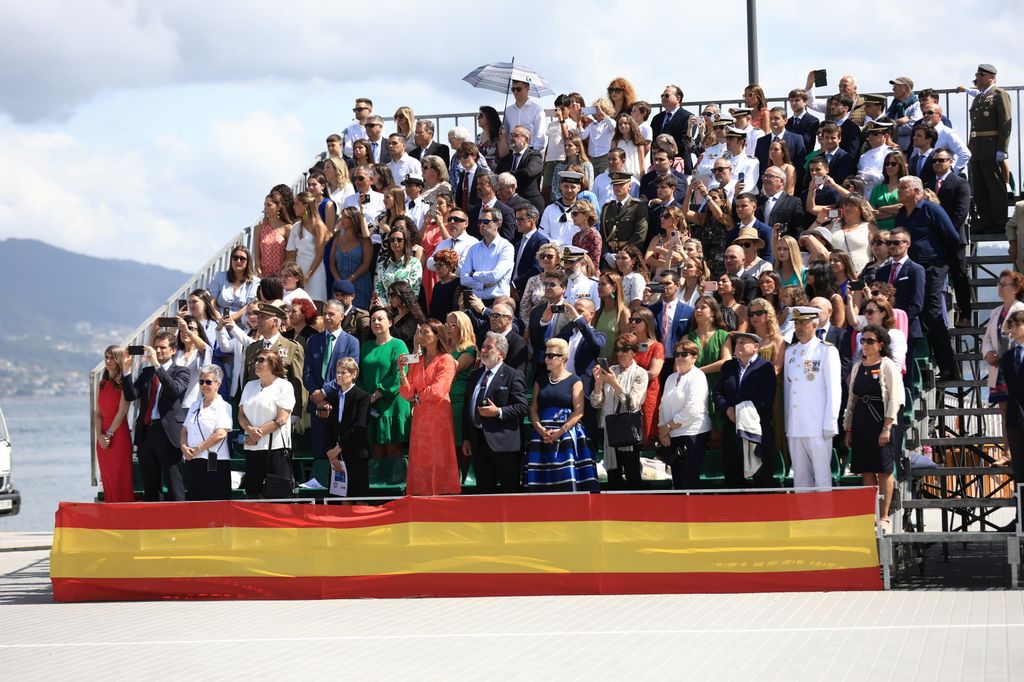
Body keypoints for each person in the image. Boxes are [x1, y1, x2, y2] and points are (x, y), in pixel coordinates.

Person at [893, 176, 961, 381]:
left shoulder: (932, 210)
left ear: (916, 191)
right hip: (911, 270)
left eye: (903, 188)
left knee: (932, 313)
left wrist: (943, 263)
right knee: (913, 313)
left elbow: (952, 237)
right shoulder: (902, 215)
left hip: (933, 267)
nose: (899, 192)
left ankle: (948, 367)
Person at [844, 325, 904, 533]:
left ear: (881, 344)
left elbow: (894, 398)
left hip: (880, 421)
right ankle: (871, 515)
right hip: (861, 421)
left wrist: (887, 427)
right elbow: (852, 398)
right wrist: (848, 427)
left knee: (883, 469)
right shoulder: (858, 366)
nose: (865, 345)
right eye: (863, 341)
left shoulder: (887, 366)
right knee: (866, 469)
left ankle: (884, 516)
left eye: (870, 341)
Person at [121, 331, 190, 501]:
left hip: (168, 434)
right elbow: (131, 395)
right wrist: (126, 370)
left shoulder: (182, 372)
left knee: (174, 485)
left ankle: (180, 523)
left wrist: (157, 366)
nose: (158, 351)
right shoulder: (147, 372)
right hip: (147, 433)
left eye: (163, 348)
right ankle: (155, 524)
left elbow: (174, 390)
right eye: (156, 347)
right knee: (150, 486)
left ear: (173, 350)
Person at [525, 338, 599, 493]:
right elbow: (533, 409)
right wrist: (540, 430)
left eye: (551, 356)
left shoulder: (575, 380)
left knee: (567, 481)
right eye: (546, 355)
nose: (547, 359)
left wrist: (559, 432)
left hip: (567, 436)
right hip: (542, 436)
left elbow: (579, 411)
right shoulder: (540, 380)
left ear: (563, 358)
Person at [397, 319, 459, 496]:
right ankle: (420, 499)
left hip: (439, 418)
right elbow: (407, 393)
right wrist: (402, 372)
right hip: (421, 419)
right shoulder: (417, 360)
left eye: (425, 332)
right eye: (420, 332)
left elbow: (440, 390)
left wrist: (418, 396)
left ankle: (443, 498)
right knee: (420, 459)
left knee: (439, 457)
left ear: (437, 335)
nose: (420, 336)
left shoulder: (446, 359)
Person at [462, 333, 529, 493]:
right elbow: (467, 408)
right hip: (478, 443)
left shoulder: (512, 375)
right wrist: (466, 438)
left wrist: (498, 411)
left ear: (501, 353)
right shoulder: (475, 375)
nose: (483, 350)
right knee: (485, 493)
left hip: (504, 446)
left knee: (509, 493)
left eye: (489, 347)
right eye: (483, 347)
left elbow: (522, 407)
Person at [784, 306, 842, 489]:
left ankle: (824, 516)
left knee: (822, 477)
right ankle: (804, 517)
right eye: (796, 323)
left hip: (817, 424)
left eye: (803, 323)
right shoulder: (790, 352)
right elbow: (788, 390)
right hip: (795, 425)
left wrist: (830, 423)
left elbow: (834, 389)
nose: (798, 327)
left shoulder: (826, 350)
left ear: (814, 325)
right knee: (800, 479)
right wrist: (788, 423)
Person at [714, 330, 777, 487]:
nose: (738, 345)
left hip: (757, 429)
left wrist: (741, 411)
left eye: (743, 342)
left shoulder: (765, 367)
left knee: (761, 475)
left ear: (755, 347)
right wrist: (727, 409)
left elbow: (767, 398)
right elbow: (717, 392)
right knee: (733, 473)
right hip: (732, 427)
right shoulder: (728, 366)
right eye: (737, 343)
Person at [303, 299, 360, 461]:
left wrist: (324, 392)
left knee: (340, 452)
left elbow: (349, 373)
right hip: (318, 406)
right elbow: (307, 373)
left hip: (340, 404)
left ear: (341, 316)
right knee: (319, 451)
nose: (327, 317)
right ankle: (319, 483)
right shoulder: (313, 341)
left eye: (331, 314)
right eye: (325, 313)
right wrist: (319, 399)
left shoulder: (352, 342)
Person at [592, 333, 649, 489]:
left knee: (632, 475)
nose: (619, 354)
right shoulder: (611, 370)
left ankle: (635, 510)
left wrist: (615, 384)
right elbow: (596, 403)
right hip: (609, 429)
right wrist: (598, 383)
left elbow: (633, 403)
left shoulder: (640, 373)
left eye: (624, 349)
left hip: (628, 430)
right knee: (613, 475)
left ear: (633, 352)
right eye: (617, 350)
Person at [358, 307, 411, 471]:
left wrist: (379, 392)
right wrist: (366, 397)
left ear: (390, 322)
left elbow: (399, 374)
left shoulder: (399, 344)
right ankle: (378, 491)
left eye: (380, 319)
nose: (376, 322)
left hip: (392, 404)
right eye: (373, 320)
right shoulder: (365, 346)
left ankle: (395, 489)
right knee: (375, 449)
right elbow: (358, 374)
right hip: (371, 404)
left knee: (393, 449)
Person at [239, 349, 296, 498]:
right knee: (254, 493)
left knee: (278, 495)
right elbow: (241, 415)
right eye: (256, 360)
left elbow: (282, 418)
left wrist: (256, 434)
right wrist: (251, 432)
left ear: (273, 364)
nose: (256, 363)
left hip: (275, 449)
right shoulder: (249, 386)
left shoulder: (284, 386)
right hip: (252, 447)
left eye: (261, 360)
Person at [659, 337, 713, 490]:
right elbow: (663, 406)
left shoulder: (698, 376)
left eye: (684, 354)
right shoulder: (671, 378)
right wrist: (663, 430)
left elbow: (693, 410)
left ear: (694, 357)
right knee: (678, 480)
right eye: (677, 354)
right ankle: (680, 513)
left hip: (694, 434)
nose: (679, 358)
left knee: (689, 478)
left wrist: (667, 427)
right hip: (672, 435)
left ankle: (695, 513)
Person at [982, 271, 1024, 466]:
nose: (1000, 287)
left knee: (1018, 410)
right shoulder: (996, 311)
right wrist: (989, 353)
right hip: (999, 367)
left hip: (1016, 366)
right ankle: (1008, 451)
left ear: (1015, 289)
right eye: (999, 283)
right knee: (1004, 412)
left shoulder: (1021, 309)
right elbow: (987, 338)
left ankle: (1017, 450)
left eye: (1005, 284)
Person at [967, 64, 1012, 235]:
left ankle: (999, 221)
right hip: (976, 148)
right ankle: (986, 221)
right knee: (980, 188)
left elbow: (1005, 124)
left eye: (981, 74)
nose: (977, 78)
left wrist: (1002, 149)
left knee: (995, 187)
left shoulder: (999, 95)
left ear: (991, 76)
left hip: (991, 147)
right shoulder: (979, 97)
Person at [180, 365, 232, 500]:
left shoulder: (224, 406)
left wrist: (199, 448)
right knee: (194, 501)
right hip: (193, 460)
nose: (204, 385)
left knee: (214, 504)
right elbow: (184, 430)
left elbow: (221, 433)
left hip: (214, 462)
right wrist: (184, 447)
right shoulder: (194, 405)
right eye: (201, 381)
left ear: (218, 384)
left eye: (208, 382)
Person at [324, 357, 371, 499]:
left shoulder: (363, 397)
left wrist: (337, 448)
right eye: (337, 372)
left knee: (358, 497)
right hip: (337, 457)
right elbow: (330, 428)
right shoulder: (333, 398)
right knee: (341, 497)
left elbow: (360, 426)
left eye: (343, 373)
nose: (339, 376)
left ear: (354, 374)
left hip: (356, 455)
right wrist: (332, 453)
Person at [94, 346, 134, 503]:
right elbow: (97, 413)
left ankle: (126, 520)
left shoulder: (125, 383)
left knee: (121, 479)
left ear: (119, 360)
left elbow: (122, 412)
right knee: (108, 479)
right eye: (106, 357)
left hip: (118, 436)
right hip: (103, 439)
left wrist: (109, 434)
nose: (108, 361)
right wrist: (99, 436)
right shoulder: (102, 384)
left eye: (112, 357)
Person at [648, 271, 696, 385]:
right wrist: (645, 301)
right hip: (654, 361)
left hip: (676, 361)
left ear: (677, 285)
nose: (664, 287)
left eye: (667, 283)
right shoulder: (651, 310)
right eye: (660, 284)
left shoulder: (689, 311)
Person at [460, 206, 514, 304]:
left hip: (498, 303)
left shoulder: (506, 247)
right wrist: (482, 285)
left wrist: (473, 274)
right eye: (480, 222)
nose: (482, 225)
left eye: (486, 222)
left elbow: (494, 276)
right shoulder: (473, 248)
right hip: (474, 301)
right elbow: (463, 278)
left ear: (497, 224)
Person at [627, 307, 665, 447]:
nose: (633, 323)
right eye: (632, 320)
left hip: (648, 393)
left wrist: (631, 375)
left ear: (647, 323)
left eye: (638, 320)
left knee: (647, 432)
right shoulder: (629, 344)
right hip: (628, 392)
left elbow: (654, 372)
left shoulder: (656, 346)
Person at [330, 206, 374, 310]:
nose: (342, 220)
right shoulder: (337, 239)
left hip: (359, 283)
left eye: (346, 217)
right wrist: (339, 281)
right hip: (339, 282)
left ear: (353, 220)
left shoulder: (365, 240)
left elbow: (366, 264)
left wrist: (351, 279)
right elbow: (332, 264)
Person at [208, 245, 261, 328]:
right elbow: (212, 301)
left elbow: (249, 305)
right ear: (231, 260)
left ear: (248, 262)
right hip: (218, 320)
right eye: (235, 258)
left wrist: (231, 319)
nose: (238, 261)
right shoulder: (219, 276)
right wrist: (219, 319)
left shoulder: (255, 282)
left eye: (242, 259)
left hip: (241, 323)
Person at [999, 310, 1024, 485]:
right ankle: (1021, 508)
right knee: (1020, 465)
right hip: (1015, 415)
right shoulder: (1007, 357)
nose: (1014, 329)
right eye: (1012, 326)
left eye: (1018, 325)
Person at [172, 314, 212, 410]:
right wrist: (153, 331)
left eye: (191, 328)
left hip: (193, 404)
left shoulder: (201, 353)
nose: (185, 331)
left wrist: (187, 331)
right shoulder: (176, 352)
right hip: (173, 406)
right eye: (182, 329)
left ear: (198, 332)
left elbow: (204, 348)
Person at [374, 225, 422, 304]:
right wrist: (386, 307)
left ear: (405, 242)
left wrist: (398, 306)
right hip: (385, 310)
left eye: (399, 240)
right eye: (392, 240)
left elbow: (414, 291)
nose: (395, 242)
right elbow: (379, 289)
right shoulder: (383, 265)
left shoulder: (414, 263)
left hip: (406, 309)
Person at [593, 271, 630, 361]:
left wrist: (612, 362)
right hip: (595, 363)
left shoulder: (623, 313)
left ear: (614, 287)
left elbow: (624, 342)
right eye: (598, 285)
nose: (599, 288)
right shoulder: (598, 313)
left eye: (603, 284)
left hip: (613, 364)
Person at [254, 193, 291, 277]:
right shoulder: (258, 228)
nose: (265, 208)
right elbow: (257, 257)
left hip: (281, 277)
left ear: (278, 207)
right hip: (263, 277)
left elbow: (290, 256)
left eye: (269, 205)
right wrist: (261, 275)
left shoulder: (287, 228)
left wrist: (278, 275)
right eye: (264, 205)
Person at [869, 151, 907, 231]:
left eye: (893, 164)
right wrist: (893, 213)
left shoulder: (905, 187)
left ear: (900, 165)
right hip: (879, 232)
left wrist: (881, 208)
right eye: (887, 163)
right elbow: (871, 214)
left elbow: (903, 209)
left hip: (900, 231)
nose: (889, 166)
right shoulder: (877, 188)